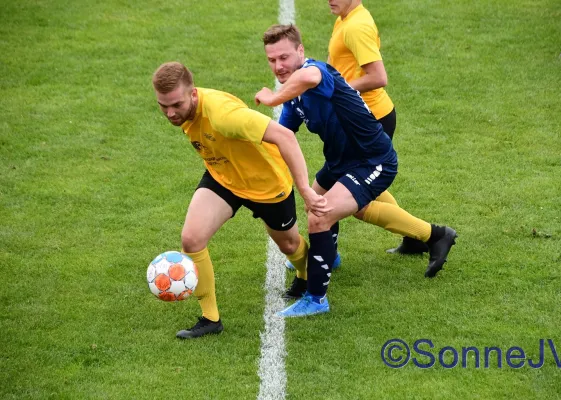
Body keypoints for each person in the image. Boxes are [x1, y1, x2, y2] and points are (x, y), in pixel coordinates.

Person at [256, 25, 457, 317]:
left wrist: (273, 98)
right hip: (341, 162)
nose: (278, 66)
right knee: (318, 192)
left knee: (321, 213)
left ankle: (316, 299)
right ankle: (331, 255)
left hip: (372, 161)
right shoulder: (295, 97)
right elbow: (281, 134)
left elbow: (310, 76)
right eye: (272, 60)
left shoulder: (318, 73)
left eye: (284, 57)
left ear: (301, 51)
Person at [152, 61, 328, 338]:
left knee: (289, 244)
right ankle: (211, 319)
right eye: (164, 106)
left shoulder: (224, 115)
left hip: (266, 185)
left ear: (193, 94)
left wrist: (305, 188)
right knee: (191, 239)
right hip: (223, 177)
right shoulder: (185, 112)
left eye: (176, 104)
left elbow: (285, 137)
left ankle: (307, 275)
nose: (170, 113)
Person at [326, 0, 427, 256]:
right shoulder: (345, 18)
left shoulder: (356, 26)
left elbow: (378, 77)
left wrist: (337, 91)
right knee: (353, 184)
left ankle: (432, 234)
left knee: (351, 193)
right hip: (359, 118)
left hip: (369, 119)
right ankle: (416, 237)